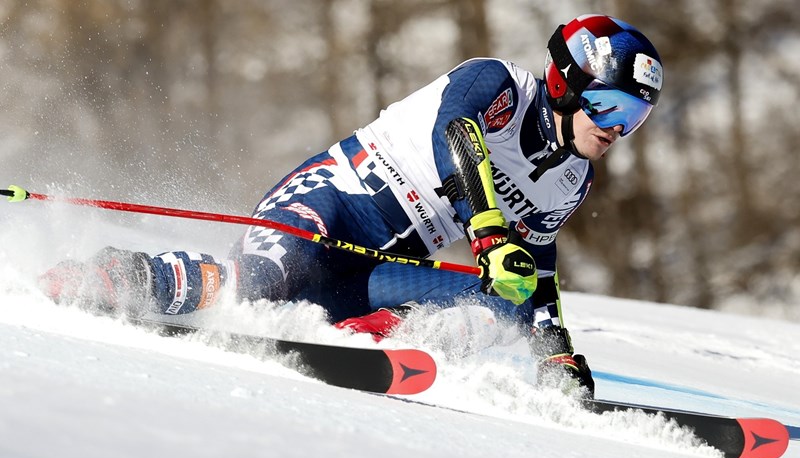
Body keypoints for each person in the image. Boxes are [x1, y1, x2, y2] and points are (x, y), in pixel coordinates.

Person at [40, 14, 663, 398]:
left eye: (633, 119)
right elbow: (458, 142)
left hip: (372, 266)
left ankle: (357, 335)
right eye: (610, 106)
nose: (616, 129)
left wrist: (553, 349)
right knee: (263, 284)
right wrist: (490, 233)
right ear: (566, 84)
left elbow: (538, 267)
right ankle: (123, 274)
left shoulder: (571, 181)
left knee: (498, 303)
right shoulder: (496, 84)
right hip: (333, 205)